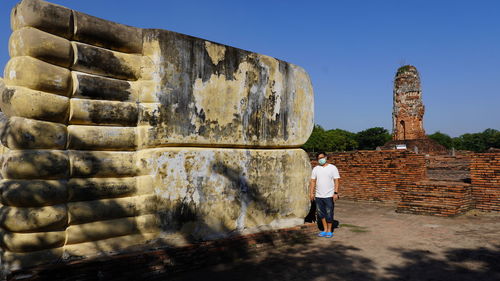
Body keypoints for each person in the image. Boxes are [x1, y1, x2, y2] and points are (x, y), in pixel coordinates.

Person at [309, 152, 340, 238]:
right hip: (319, 195)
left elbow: (336, 181)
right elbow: (312, 181)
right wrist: (311, 193)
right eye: (319, 158)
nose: (320, 160)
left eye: (322, 157)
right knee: (320, 214)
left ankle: (329, 231)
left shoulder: (332, 168)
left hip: (329, 195)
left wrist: (336, 193)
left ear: (326, 157)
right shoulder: (316, 169)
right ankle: (325, 229)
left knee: (329, 213)